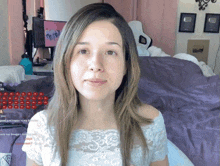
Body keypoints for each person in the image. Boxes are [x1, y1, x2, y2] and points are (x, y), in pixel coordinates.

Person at [22, 3, 169, 166]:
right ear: (66, 61)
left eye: (110, 52)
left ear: (126, 64)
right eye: (83, 51)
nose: (96, 64)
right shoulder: (41, 126)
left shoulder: (150, 122)